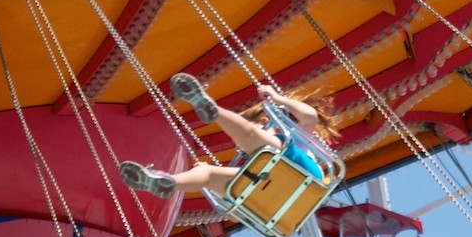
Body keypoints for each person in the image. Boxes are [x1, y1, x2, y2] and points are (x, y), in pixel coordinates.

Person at [120, 75, 334, 202]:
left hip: (301, 175)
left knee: (269, 146)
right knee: (208, 173)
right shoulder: (262, 148)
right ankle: (167, 182)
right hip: (268, 190)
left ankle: (214, 112)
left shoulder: (297, 135)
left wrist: (277, 99)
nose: (265, 124)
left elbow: (310, 115)